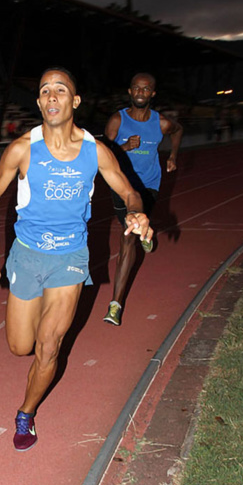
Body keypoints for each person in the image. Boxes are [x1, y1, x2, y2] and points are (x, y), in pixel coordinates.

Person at [0, 67, 152, 452]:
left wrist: (137, 212)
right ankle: (34, 323)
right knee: (20, 346)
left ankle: (26, 414)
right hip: (27, 256)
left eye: (60, 89)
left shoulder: (95, 151)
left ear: (75, 101)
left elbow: (129, 192)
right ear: (39, 102)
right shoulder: (23, 148)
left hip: (70, 257)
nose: (52, 96)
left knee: (49, 346)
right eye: (45, 91)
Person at [102, 72, 183, 327]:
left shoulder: (161, 123)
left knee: (128, 237)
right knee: (131, 232)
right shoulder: (118, 120)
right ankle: (145, 232)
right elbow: (102, 152)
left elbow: (178, 130)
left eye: (146, 89)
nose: (140, 92)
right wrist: (124, 147)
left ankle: (115, 304)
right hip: (121, 186)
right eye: (136, 88)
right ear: (130, 91)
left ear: (152, 93)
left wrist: (173, 156)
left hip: (148, 185)